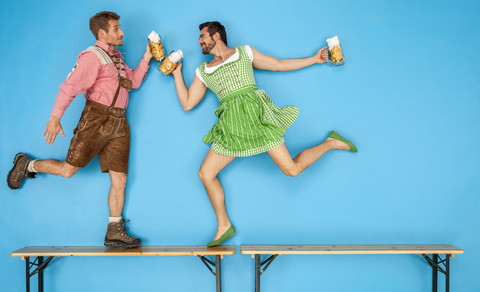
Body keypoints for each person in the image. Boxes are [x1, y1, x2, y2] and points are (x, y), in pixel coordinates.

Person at [171, 21, 357, 246]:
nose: (199, 41)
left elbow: (278, 64)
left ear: (216, 36)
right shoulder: (203, 71)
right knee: (205, 174)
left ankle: (331, 142)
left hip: (258, 119)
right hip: (233, 128)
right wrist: (176, 74)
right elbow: (188, 103)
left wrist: (314, 59)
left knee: (292, 170)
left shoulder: (243, 52)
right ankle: (224, 226)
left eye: (202, 36)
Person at [7, 11, 153, 248]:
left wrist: (147, 57)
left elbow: (133, 82)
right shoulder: (92, 57)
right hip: (96, 119)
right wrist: (55, 118)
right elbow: (70, 87)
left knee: (120, 178)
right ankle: (28, 164)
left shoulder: (116, 57)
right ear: (102, 33)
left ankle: (114, 230)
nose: (122, 32)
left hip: (120, 122)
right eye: (116, 28)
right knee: (68, 171)